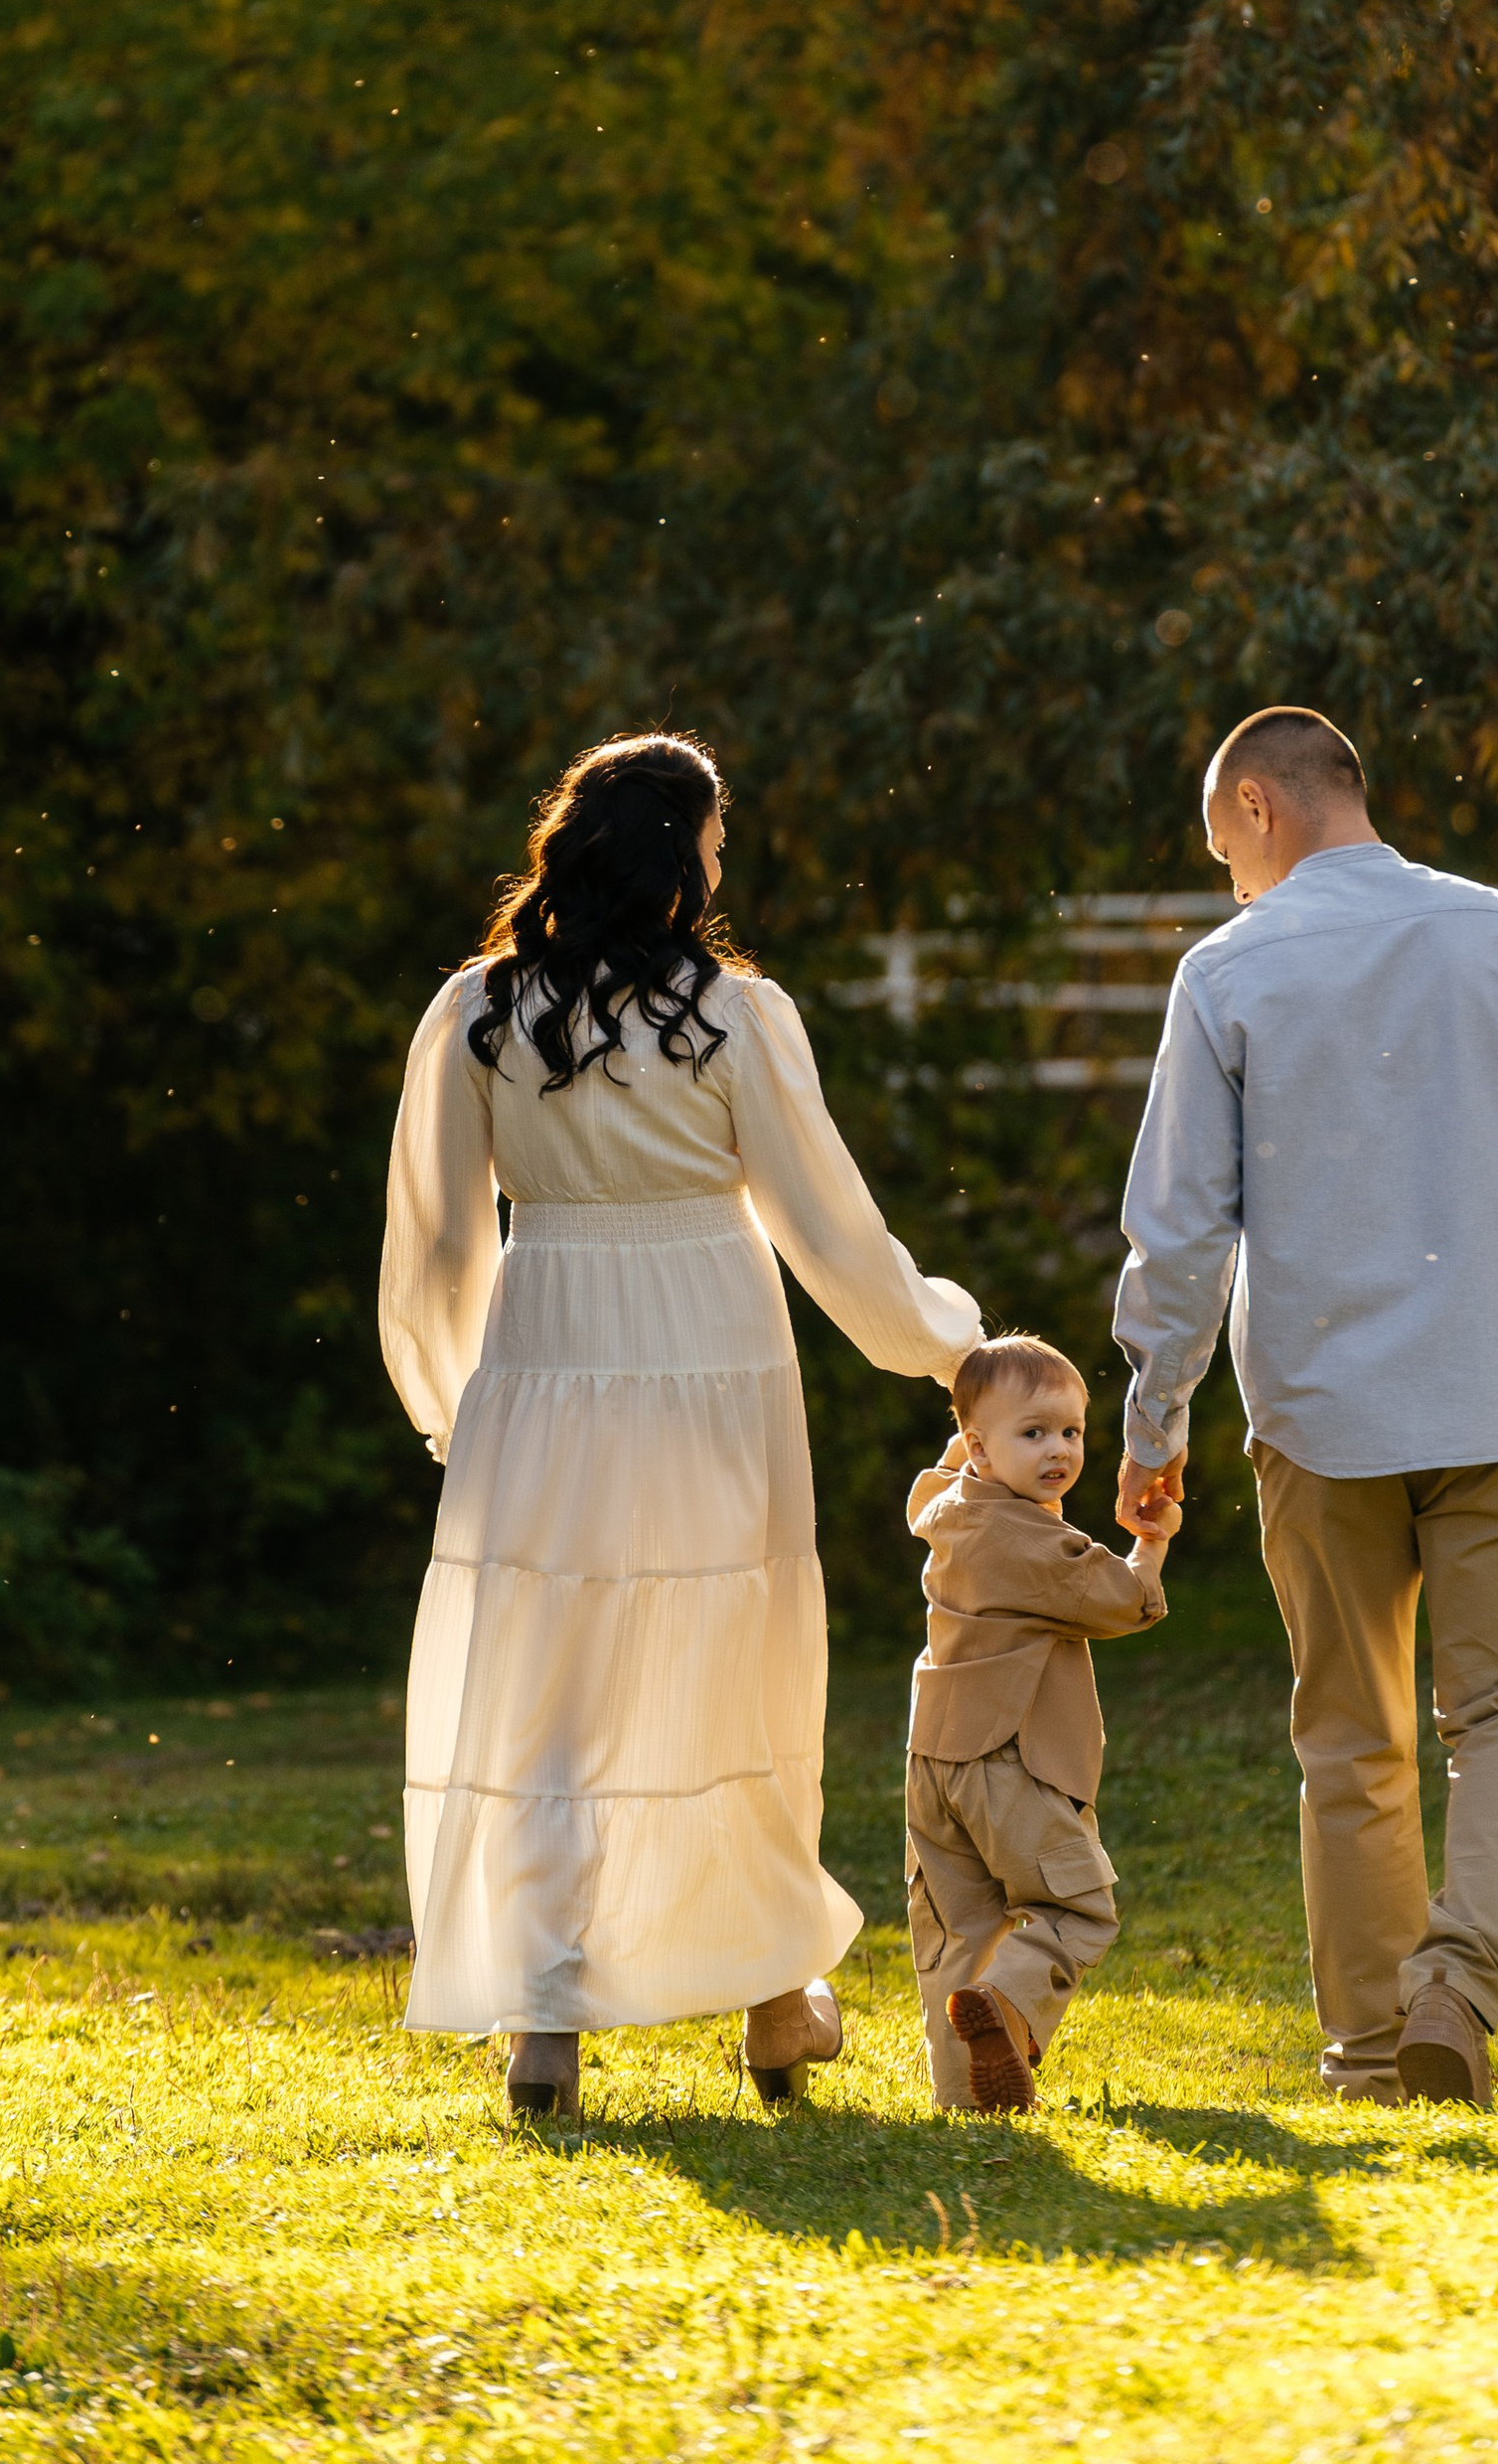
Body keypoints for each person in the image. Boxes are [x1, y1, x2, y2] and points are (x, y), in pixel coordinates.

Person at [1112, 705, 1498, 2107]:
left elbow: (1181, 1231)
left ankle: (1373, 2047)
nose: (1230, 882)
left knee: (1351, 1734)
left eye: (1226, 851)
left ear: (1261, 804)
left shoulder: (1228, 973)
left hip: (1318, 1417)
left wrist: (1157, 1421)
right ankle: (1459, 1990)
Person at [378, 729, 981, 2127]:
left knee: (551, 1690)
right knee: (735, 1657)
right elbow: (830, 1228)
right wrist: (944, 1342)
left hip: (547, 1358)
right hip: (711, 1348)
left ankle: (545, 2020)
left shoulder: (477, 1010)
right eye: (716, 841)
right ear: (676, 852)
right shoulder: (737, 1015)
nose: (724, 864)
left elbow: (438, 1248)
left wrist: (463, 1410)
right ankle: (777, 2005)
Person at [903, 1332, 1172, 2114]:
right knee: (1076, 1907)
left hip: (933, 1759)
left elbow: (942, 1471)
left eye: (1071, 1432)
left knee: (959, 1931)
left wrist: (979, 1431)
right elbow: (1121, 1600)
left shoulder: (946, 1504)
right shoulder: (1032, 1541)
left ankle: (970, 2098)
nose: (1058, 1450)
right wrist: (1151, 1543)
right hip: (1007, 1761)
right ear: (985, 1448)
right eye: (1034, 1434)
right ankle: (1011, 2006)